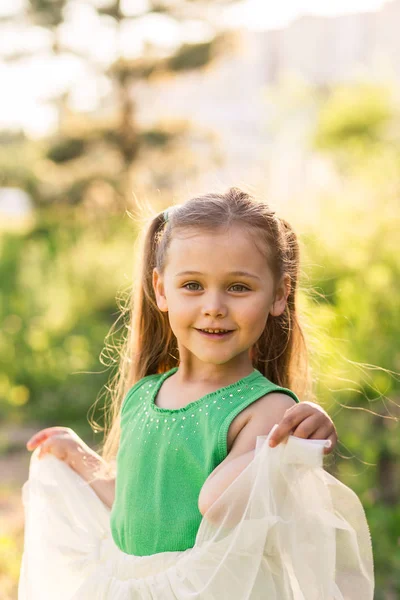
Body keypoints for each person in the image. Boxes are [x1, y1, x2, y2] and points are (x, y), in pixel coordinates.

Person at [20, 188, 373, 599]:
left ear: (278, 295)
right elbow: (135, 505)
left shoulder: (266, 408)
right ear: (161, 289)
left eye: (239, 287)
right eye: (192, 285)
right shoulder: (146, 393)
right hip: (124, 585)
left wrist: (288, 449)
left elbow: (217, 505)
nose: (214, 306)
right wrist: (77, 455)